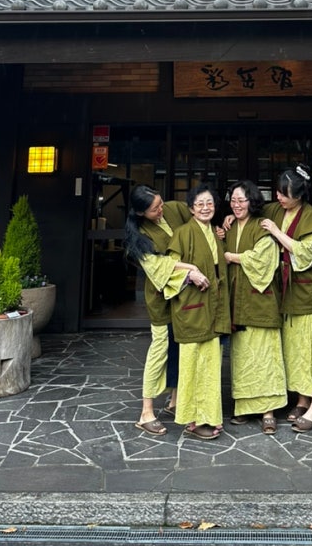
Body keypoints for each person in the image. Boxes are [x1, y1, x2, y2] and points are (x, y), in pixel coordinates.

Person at [124, 185, 211, 436]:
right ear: (141, 213)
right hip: (161, 299)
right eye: (155, 209)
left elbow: (197, 220)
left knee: (181, 346)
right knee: (160, 350)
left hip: (185, 297)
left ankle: (175, 400)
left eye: (160, 203)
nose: (161, 210)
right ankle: (146, 412)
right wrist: (190, 268)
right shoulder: (139, 237)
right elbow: (159, 266)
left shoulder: (173, 209)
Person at [259, 165, 312, 432]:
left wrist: (277, 233)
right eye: (278, 192)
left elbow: (307, 254)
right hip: (285, 291)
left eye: (284, 194)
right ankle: (302, 399)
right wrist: (231, 217)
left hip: (308, 291)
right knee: (295, 348)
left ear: (298, 196)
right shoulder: (276, 209)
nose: (278, 197)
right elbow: (253, 213)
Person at [165, 183, 231, 440]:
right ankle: (193, 418)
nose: (205, 208)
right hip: (193, 307)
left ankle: (209, 416)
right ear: (191, 209)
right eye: (200, 204)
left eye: (209, 203)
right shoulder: (183, 233)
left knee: (211, 366)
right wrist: (191, 272)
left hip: (213, 306)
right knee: (193, 365)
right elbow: (168, 265)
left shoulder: (214, 233)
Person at [224, 180, 286, 434]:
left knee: (265, 356)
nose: (237, 205)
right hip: (237, 301)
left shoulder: (261, 226)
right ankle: (244, 407)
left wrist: (232, 257)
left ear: (252, 201)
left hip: (260, 301)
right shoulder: (228, 228)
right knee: (241, 357)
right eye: (233, 200)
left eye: (242, 200)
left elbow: (265, 260)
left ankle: (268, 411)